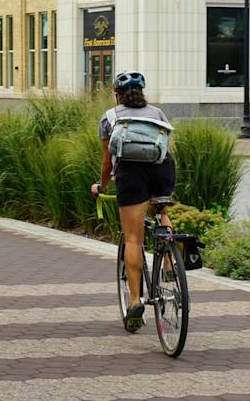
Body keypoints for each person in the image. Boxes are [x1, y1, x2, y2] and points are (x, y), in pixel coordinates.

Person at [91, 70, 176, 331]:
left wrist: (100, 186)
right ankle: (171, 259)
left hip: (130, 173)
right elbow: (165, 148)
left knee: (133, 238)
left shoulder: (109, 117)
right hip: (162, 170)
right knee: (161, 210)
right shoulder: (158, 114)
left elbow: (108, 163)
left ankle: (136, 301)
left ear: (117, 95)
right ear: (142, 93)